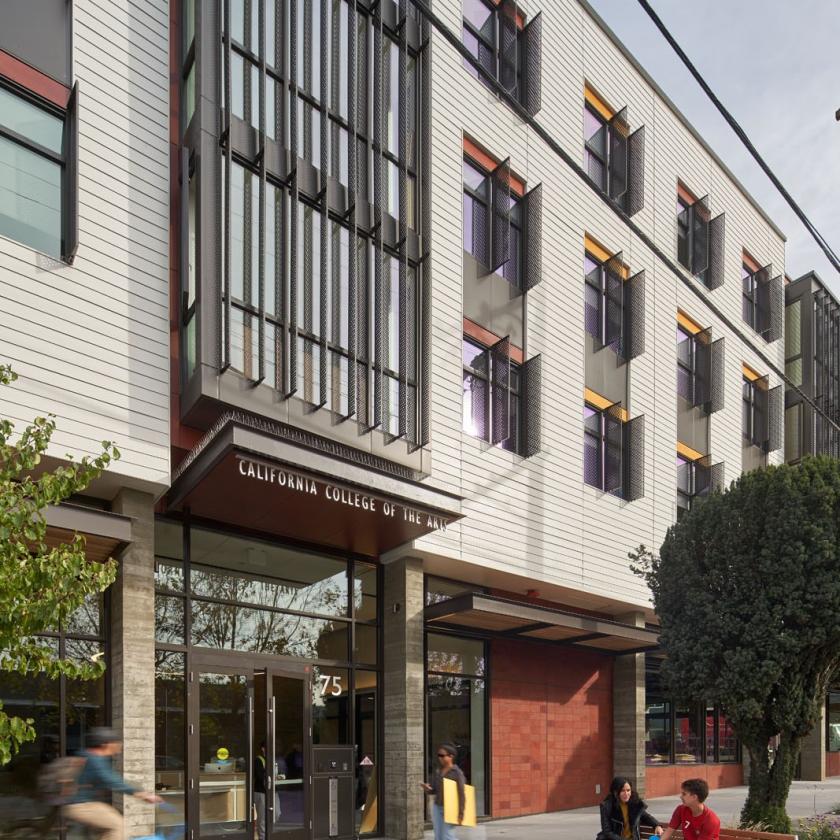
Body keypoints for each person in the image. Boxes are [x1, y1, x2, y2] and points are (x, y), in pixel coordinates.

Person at [62, 727, 162, 840]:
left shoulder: (87, 756)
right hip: (81, 805)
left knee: (108, 827)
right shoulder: (95, 759)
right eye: (116, 743)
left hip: (82, 803)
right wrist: (141, 794)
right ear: (106, 744)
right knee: (120, 827)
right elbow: (111, 780)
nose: (119, 746)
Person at [420, 743, 465, 840]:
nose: (439, 758)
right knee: (438, 836)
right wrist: (427, 789)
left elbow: (461, 794)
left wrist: (461, 813)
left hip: (450, 808)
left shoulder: (457, 773)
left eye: (442, 755)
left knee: (447, 836)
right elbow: (435, 789)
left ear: (451, 756)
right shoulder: (439, 771)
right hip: (437, 807)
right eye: (438, 755)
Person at [597, 776, 663, 840]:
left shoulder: (635, 803)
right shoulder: (607, 806)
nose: (626, 794)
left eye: (628, 790)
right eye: (622, 791)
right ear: (615, 792)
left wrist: (657, 825)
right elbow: (607, 832)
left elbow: (646, 817)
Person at [254, 741, 285, 840]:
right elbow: (260, 776)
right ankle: (263, 838)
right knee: (263, 818)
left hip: (273, 791)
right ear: (263, 749)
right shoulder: (259, 760)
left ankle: (270, 834)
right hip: (261, 792)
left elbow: (279, 773)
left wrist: (280, 776)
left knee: (276, 813)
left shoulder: (274, 760)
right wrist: (272, 776)